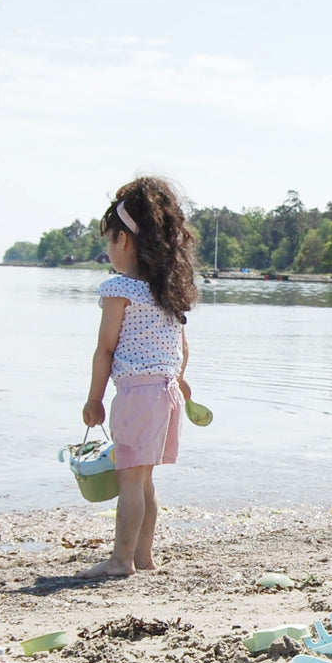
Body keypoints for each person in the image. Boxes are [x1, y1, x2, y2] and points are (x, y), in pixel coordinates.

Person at [80, 177, 199, 578]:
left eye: (110, 240)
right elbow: (182, 351)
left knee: (129, 480)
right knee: (144, 481)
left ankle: (120, 560)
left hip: (137, 394)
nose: (109, 249)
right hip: (167, 396)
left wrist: (94, 399)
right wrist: (179, 379)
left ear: (124, 241)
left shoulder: (120, 289)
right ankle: (144, 556)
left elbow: (105, 349)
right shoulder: (168, 291)